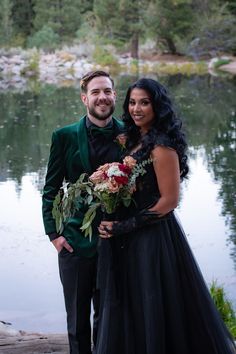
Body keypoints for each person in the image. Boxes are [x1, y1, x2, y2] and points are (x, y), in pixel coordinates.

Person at [95, 78, 236, 354]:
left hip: (153, 239)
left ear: (157, 107)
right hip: (129, 238)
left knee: (154, 305)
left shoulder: (162, 147)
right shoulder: (136, 140)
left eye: (144, 103)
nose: (137, 109)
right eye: (133, 102)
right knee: (133, 306)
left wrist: (124, 226)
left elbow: (170, 201)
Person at [42, 70, 124, 354]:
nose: (102, 97)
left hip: (117, 242)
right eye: (95, 92)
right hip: (74, 242)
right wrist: (54, 235)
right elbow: (51, 189)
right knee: (77, 322)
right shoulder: (64, 136)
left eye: (107, 91)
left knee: (111, 317)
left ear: (115, 95)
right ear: (84, 98)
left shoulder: (129, 134)